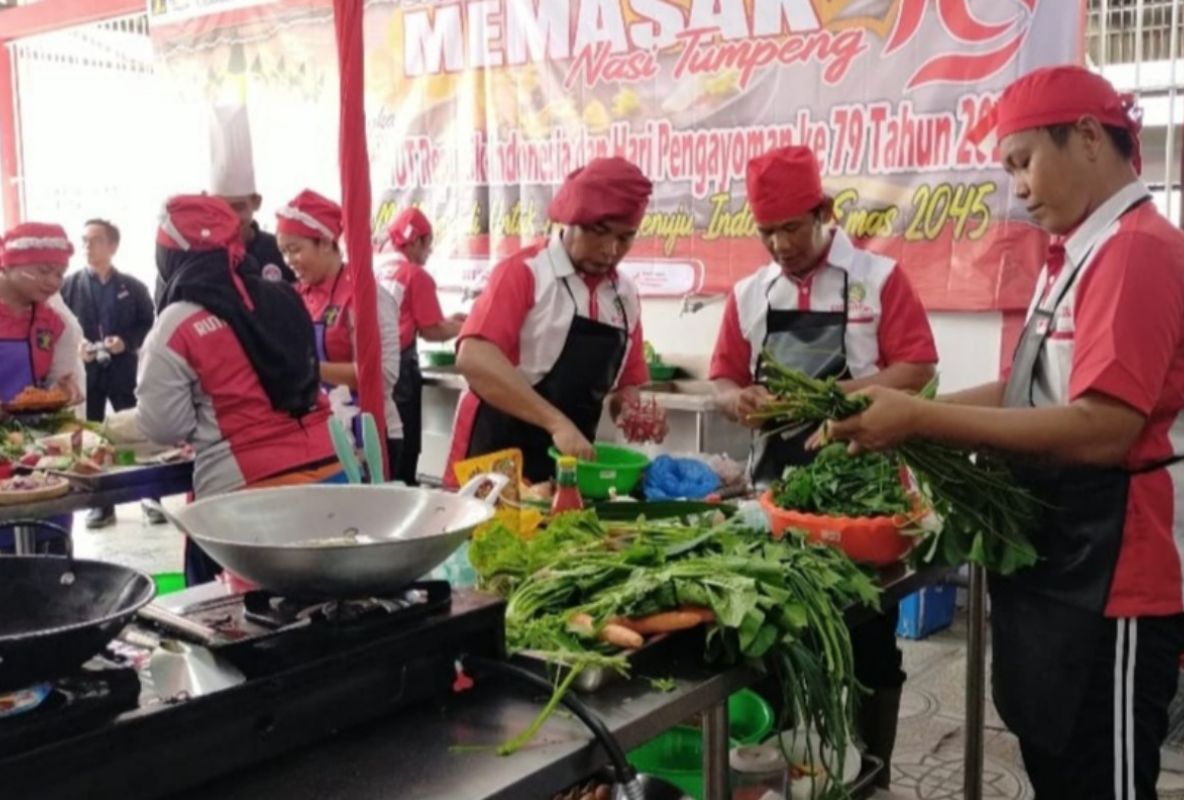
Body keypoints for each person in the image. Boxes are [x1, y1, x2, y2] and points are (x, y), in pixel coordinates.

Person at [826, 66, 1184, 798]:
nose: (1017, 188)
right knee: (1056, 755)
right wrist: (903, 419)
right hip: (1066, 552)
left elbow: (1106, 427)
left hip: (1116, 570)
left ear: (1086, 137)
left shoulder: (1136, 250)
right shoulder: (1079, 255)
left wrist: (921, 414)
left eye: (1023, 162)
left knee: (1099, 775)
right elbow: (1030, 392)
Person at [709, 145, 938, 788]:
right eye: (766, 231)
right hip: (776, 494)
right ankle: (786, 768)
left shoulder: (878, 278)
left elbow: (917, 367)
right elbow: (723, 377)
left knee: (868, 637)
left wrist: (840, 401)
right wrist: (736, 398)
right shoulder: (751, 293)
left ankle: (873, 771)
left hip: (864, 494)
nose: (779, 244)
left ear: (825, 213)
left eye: (790, 227)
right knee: (778, 640)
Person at [135, 195, 340, 585]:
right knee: (332, 605)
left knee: (247, 623)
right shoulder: (285, 297)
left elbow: (165, 425)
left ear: (168, 257)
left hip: (248, 497)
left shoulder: (176, 322)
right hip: (334, 470)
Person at [445, 157, 652, 485]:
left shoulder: (624, 296)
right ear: (570, 220)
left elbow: (626, 385)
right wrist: (556, 422)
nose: (610, 249)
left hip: (568, 467)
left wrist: (631, 412)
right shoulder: (526, 272)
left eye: (625, 238)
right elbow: (473, 357)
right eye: (599, 232)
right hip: (496, 458)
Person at [277, 189, 404, 470]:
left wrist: (309, 371)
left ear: (325, 242)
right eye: (284, 252)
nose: (289, 261)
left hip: (370, 433)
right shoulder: (296, 296)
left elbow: (381, 375)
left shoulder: (364, 296)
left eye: (296, 249)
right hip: (321, 436)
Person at [0, 223, 83, 555]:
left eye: (60, 272)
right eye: (43, 270)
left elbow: (58, 384)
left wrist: (64, 390)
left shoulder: (55, 323)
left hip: (33, 452)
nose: (53, 282)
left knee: (46, 552)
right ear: (9, 263)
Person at [60, 219, 156, 528]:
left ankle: (150, 496)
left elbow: (148, 324)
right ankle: (101, 504)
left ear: (113, 246)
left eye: (96, 240)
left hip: (124, 370)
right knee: (89, 438)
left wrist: (125, 342)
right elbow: (58, 327)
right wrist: (78, 345)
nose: (88, 246)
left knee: (137, 434)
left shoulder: (134, 287)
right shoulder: (67, 287)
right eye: (84, 240)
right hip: (88, 373)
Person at [375, 206, 466, 484]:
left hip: (373, 366)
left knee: (382, 443)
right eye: (428, 245)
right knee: (405, 444)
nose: (429, 253)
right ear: (416, 241)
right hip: (400, 368)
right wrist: (470, 326)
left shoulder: (379, 269)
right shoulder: (415, 275)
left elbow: (412, 316)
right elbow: (432, 331)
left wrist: (449, 321)